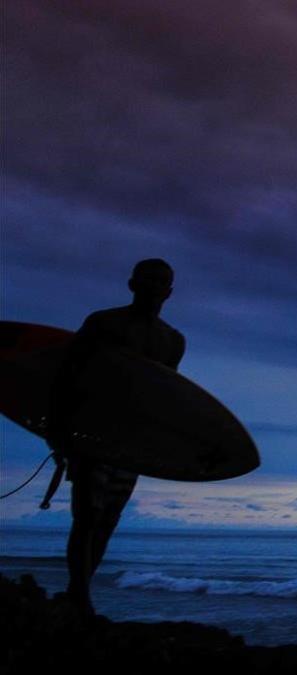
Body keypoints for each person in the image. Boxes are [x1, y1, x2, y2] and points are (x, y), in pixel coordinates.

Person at [47, 258, 186, 616]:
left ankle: (77, 591)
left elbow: (163, 394)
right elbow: (67, 376)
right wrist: (58, 431)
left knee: (108, 519)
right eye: (147, 279)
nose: (154, 286)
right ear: (131, 284)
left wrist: (160, 444)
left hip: (132, 443)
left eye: (161, 281)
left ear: (170, 291)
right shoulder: (103, 323)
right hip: (93, 433)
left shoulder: (172, 341)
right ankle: (80, 597)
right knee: (87, 517)